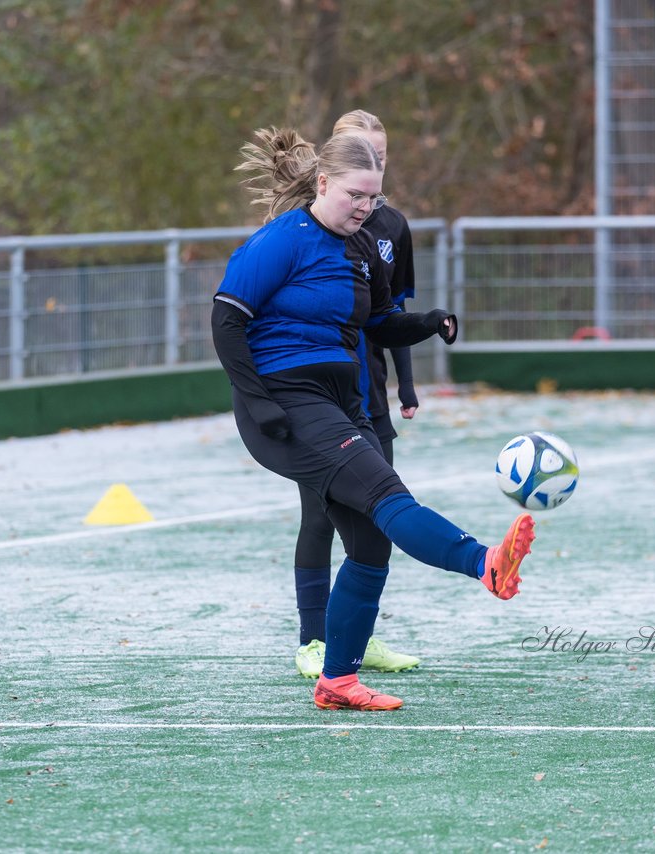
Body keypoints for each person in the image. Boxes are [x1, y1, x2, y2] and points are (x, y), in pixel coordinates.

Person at [213, 127, 535, 711]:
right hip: (288, 400)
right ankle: (486, 563)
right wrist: (258, 402)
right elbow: (227, 319)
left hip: (342, 402)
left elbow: (379, 323)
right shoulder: (282, 240)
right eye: (354, 195)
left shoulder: (361, 250)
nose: (364, 207)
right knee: (388, 495)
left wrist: (429, 321)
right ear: (323, 183)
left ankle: (337, 681)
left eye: (373, 198)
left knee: (368, 545)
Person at [290, 109, 423, 680]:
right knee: (321, 516)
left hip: (369, 396)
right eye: (363, 154)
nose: (374, 168)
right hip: (321, 394)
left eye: (382, 156)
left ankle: (356, 635)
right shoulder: (307, 229)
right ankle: (311, 640)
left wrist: (406, 384)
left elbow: (393, 314)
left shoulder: (392, 226)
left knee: (374, 522)